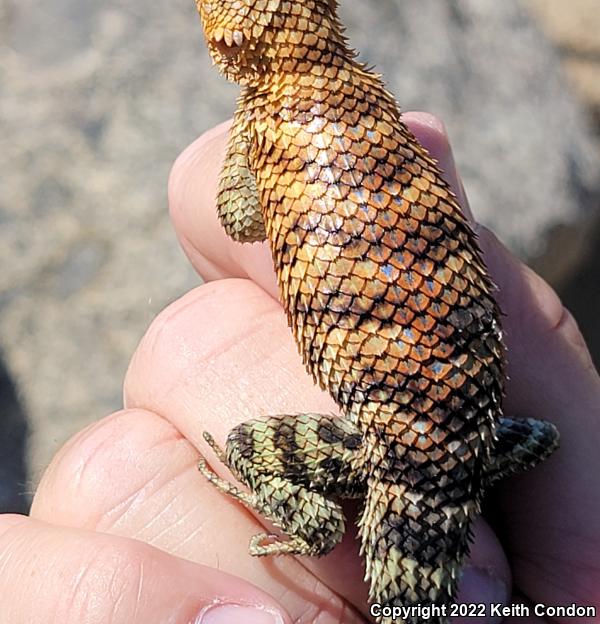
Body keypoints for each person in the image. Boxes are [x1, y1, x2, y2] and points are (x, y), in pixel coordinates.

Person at [1, 114, 598, 624]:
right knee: (536, 438)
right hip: (450, 447)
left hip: (404, 453)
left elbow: (239, 212)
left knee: (246, 447)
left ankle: (315, 522)